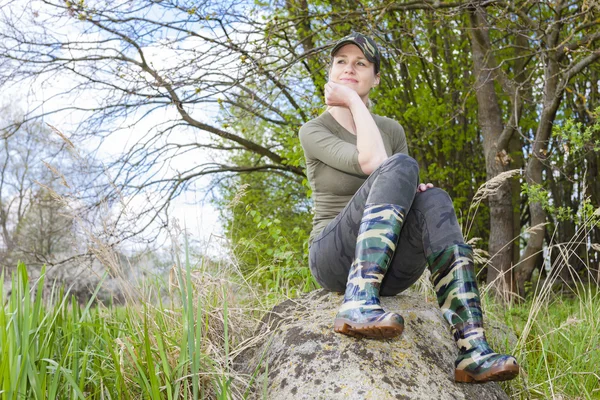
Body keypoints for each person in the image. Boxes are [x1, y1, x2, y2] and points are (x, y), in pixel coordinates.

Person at [298, 32, 520, 383]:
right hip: (333, 256)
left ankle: (472, 347)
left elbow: (394, 178)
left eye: (361, 64)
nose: (349, 69)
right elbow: (373, 162)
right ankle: (356, 302)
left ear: (377, 77)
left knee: (435, 198)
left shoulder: (391, 129)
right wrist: (354, 103)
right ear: (330, 73)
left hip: (390, 269)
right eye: (341, 62)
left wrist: (416, 193)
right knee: (400, 164)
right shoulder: (313, 130)